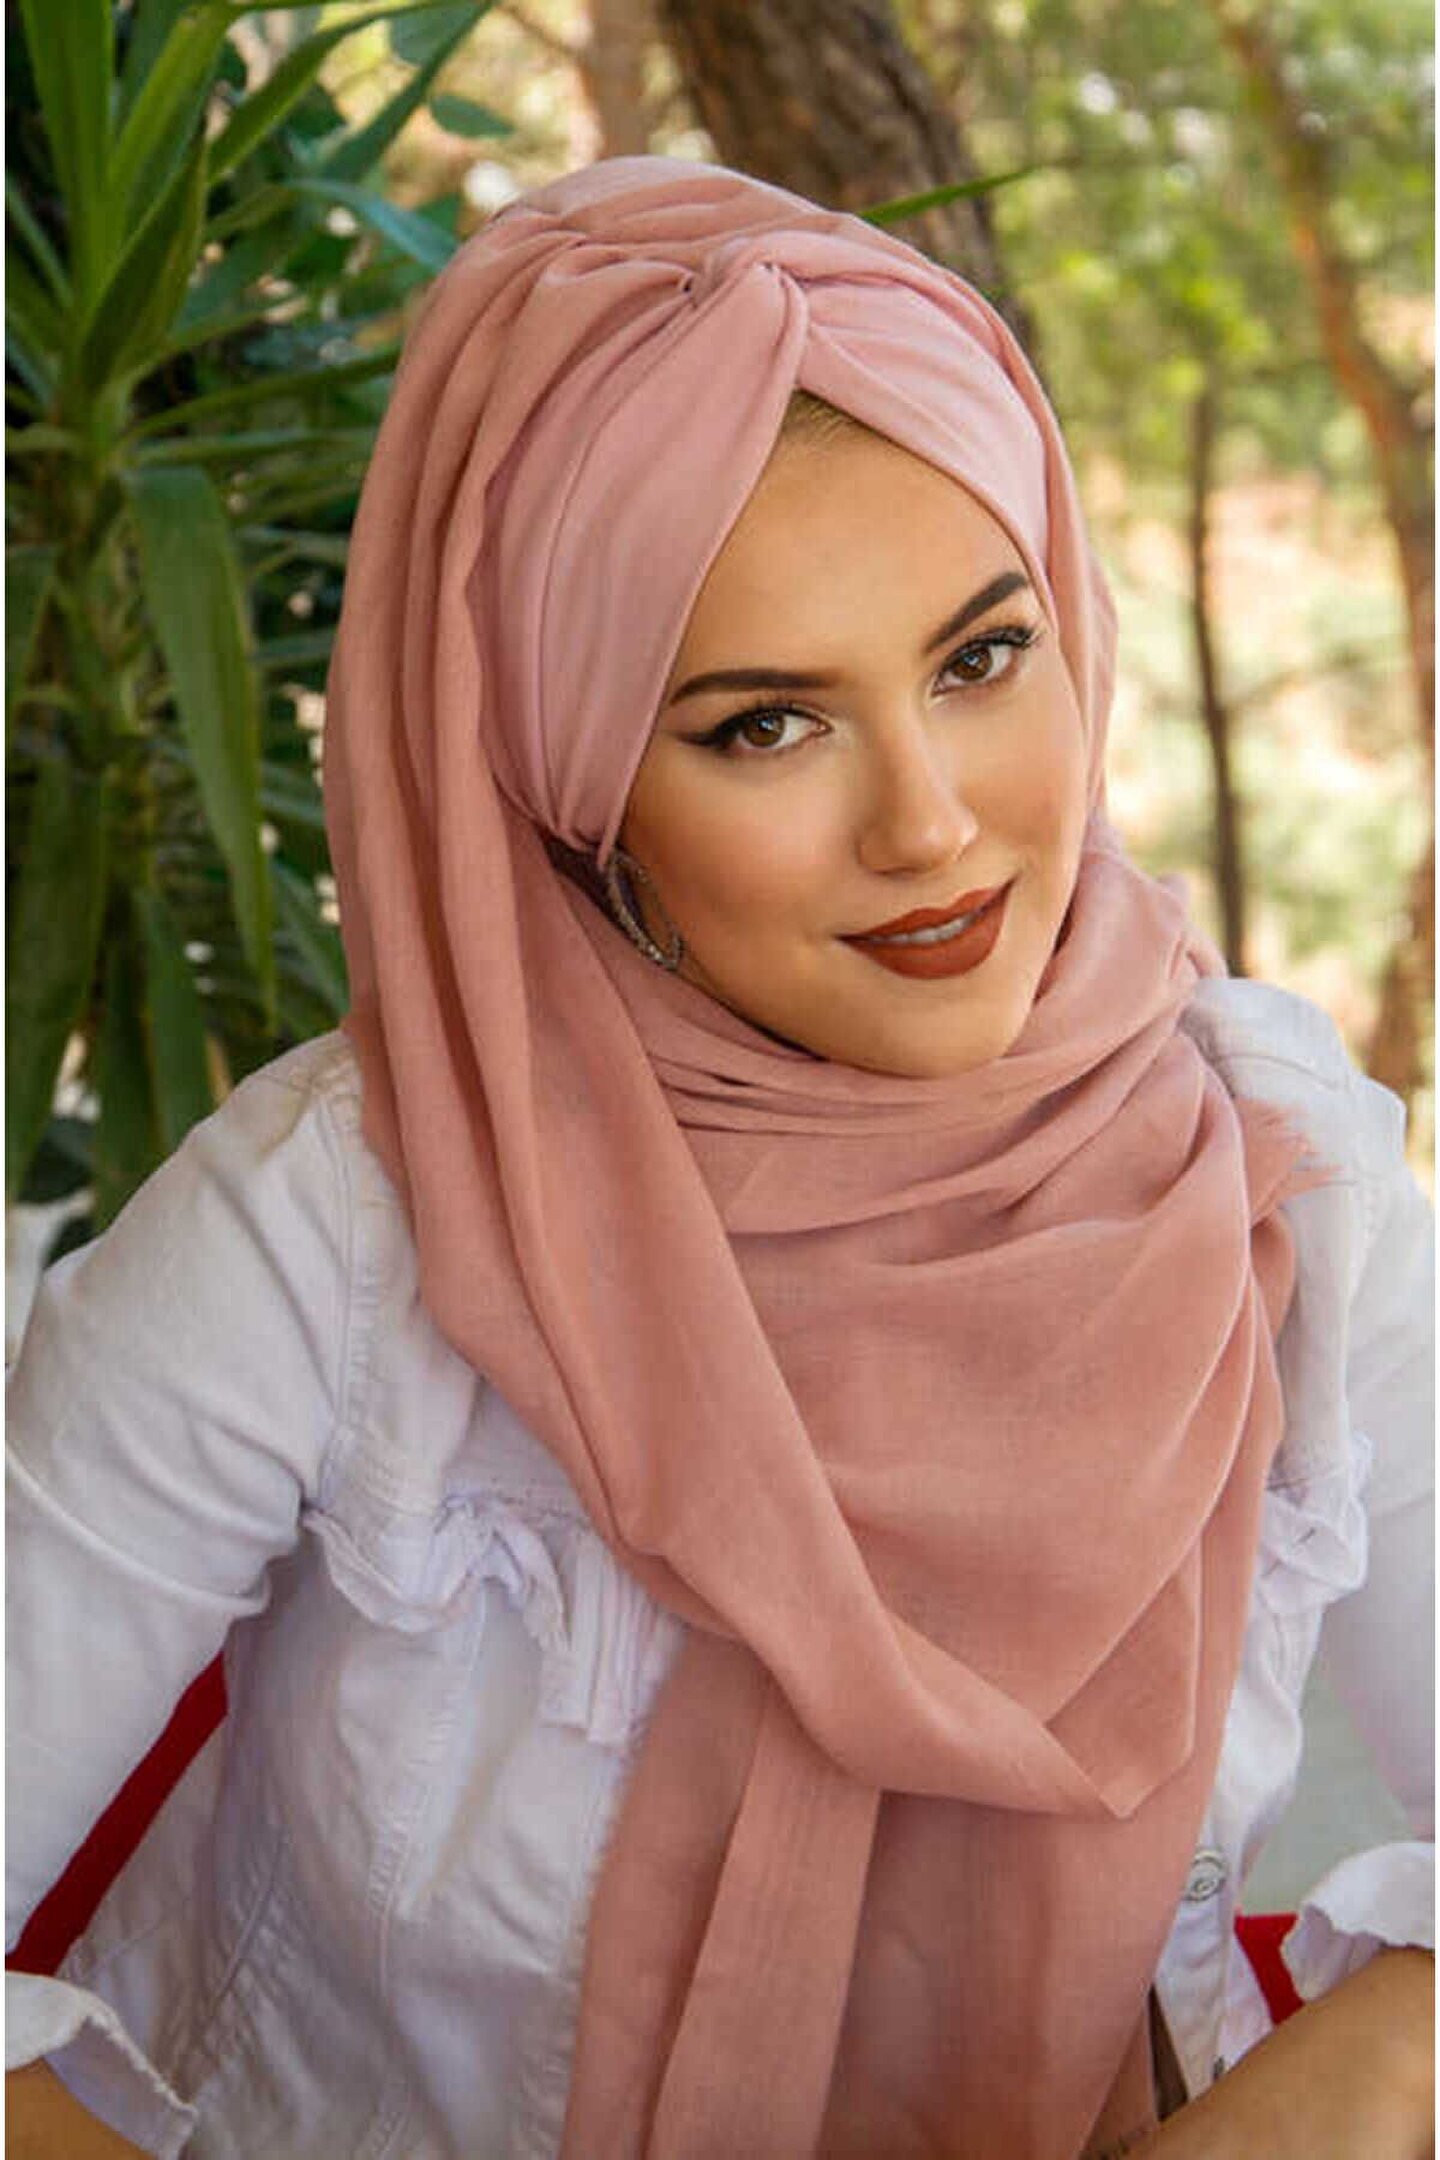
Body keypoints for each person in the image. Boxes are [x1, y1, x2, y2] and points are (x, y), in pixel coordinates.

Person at [6, 157, 1432, 2160]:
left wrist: (1386, 2062)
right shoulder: (338, 1218)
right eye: (766, 725)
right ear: (575, 786)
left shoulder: (1276, 1175)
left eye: (982, 657)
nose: (931, 825)